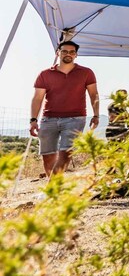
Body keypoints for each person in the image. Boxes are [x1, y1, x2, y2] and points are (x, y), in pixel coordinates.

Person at [29, 40, 99, 176]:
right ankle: (55, 188)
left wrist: (96, 115)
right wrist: (33, 120)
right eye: (65, 51)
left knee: (66, 153)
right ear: (58, 53)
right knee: (48, 157)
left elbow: (93, 94)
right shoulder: (45, 74)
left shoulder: (86, 72)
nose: (69, 54)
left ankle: (51, 189)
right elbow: (37, 98)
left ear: (76, 55)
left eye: (72, 52)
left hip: (75, 118)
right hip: (48, 119)